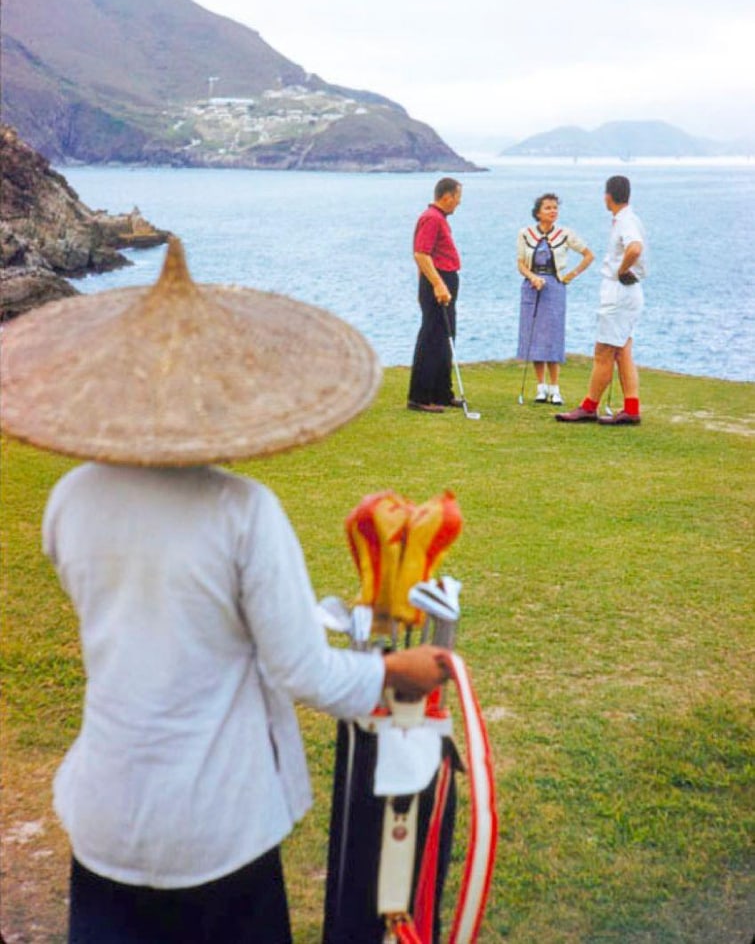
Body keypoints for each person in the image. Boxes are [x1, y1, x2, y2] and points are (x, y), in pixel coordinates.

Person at [0, 237, 450, 944]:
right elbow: (301, 671)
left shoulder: (69, 500)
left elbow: (159, 610)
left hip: (106, 813)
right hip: (217, 826)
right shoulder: (240, 510)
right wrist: (398, 671)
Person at [556, 175, 647, 425]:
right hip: (628, 293)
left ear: (608, 196)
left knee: (604, 351)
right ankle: (631, 407)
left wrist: (621, 269)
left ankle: (589, 406)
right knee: (622, 351)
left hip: (619, 292)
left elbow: (635, 248)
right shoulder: (629, 218)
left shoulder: (625, 221)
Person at [516, 193, 594, 404]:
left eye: (555, 208)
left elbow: (588, 255)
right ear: (538, 212)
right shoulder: (525, 234)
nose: (553, 211)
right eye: (548, 208)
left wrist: (571, 275)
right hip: (532, 288)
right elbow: (521, 264)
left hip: (555, 288)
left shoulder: (565, 234)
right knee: (535, 337)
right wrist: (532, 277)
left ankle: (555, 388)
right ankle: (540, 387)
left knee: (553, 337)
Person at [407, 177, 464, 412]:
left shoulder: (440, 219)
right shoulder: (431, 218)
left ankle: (441, 392)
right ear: (447, 196)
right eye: (458, 197)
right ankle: (420, 397)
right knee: (432, 336)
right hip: (438, 280)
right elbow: (421, 254)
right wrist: (438, 285)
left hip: (443, 279)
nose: (459, 203)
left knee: (446, 336)